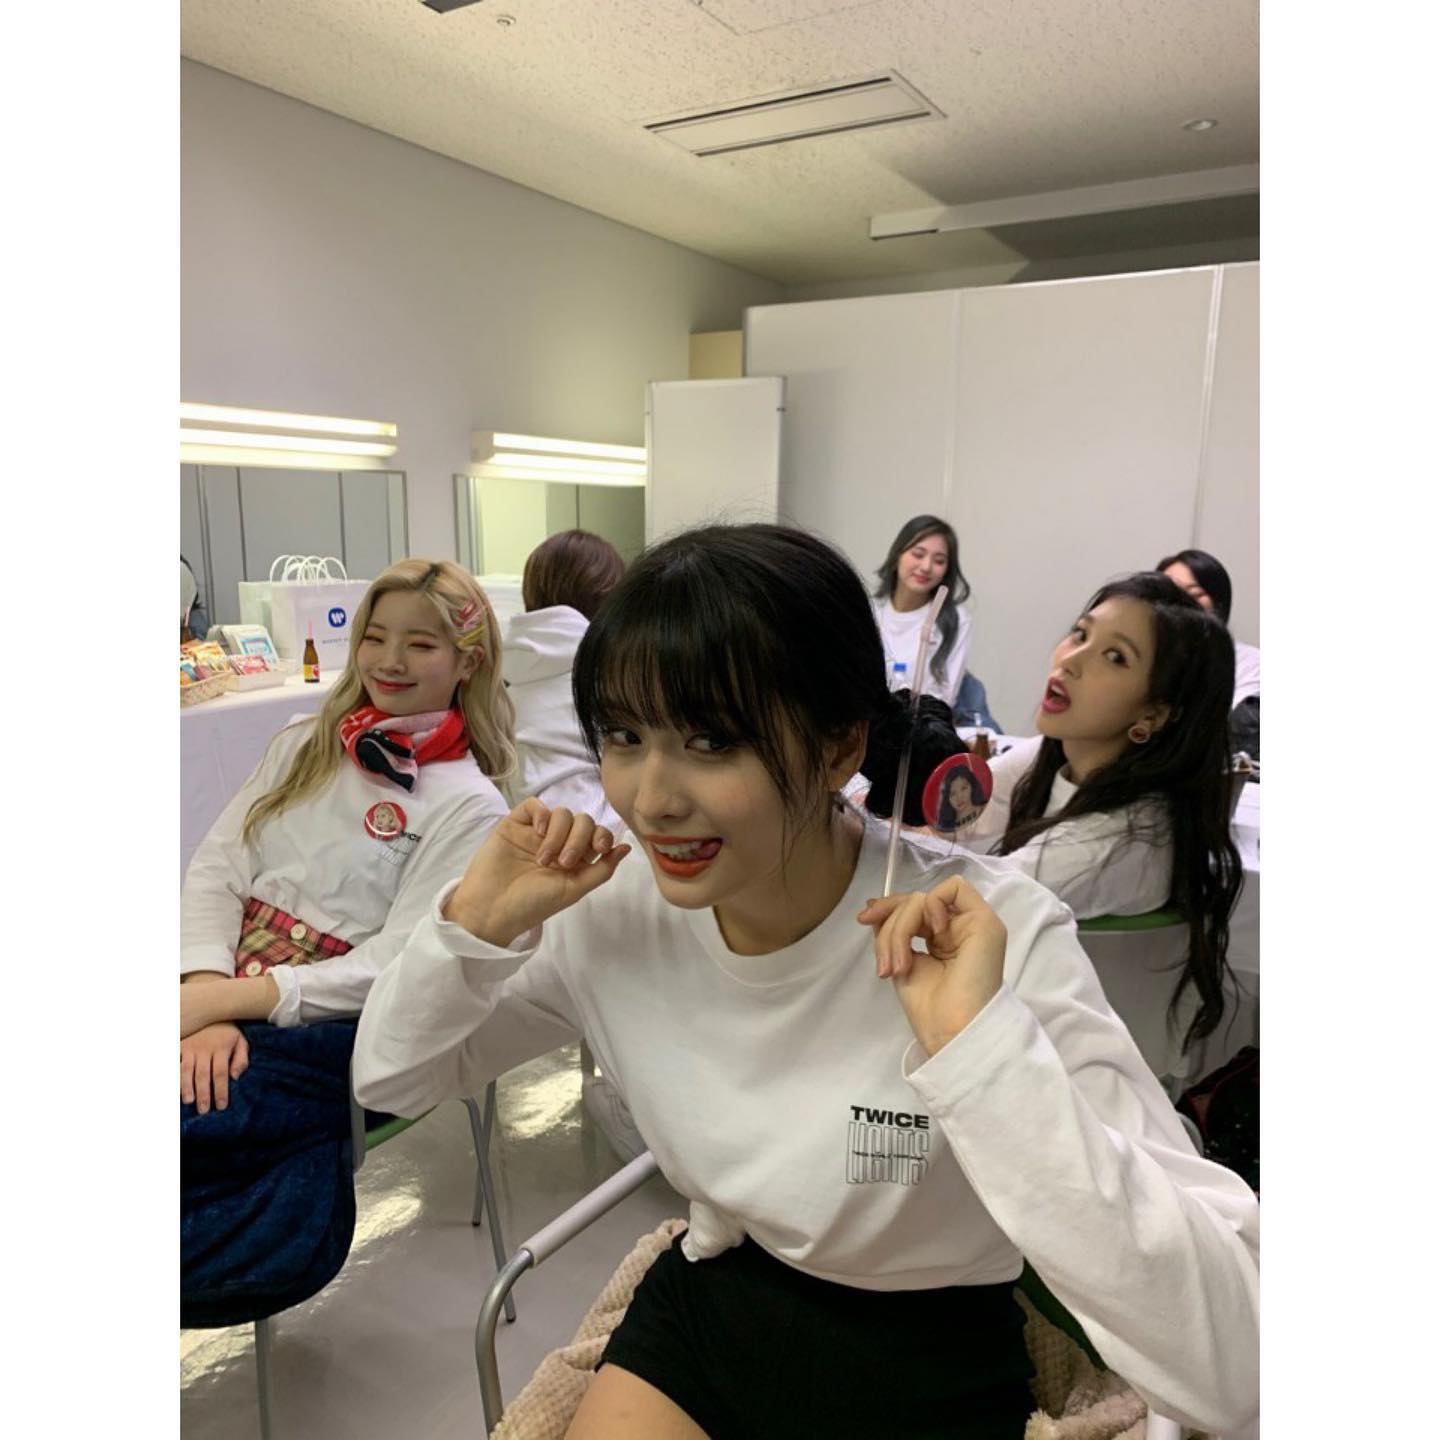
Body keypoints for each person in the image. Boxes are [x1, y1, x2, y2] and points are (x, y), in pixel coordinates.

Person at [354, 524, 1259, 1440]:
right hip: (720, 1297)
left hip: (933, 1343)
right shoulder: (613, 907)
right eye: (624, 736)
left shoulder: (991, 937)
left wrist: (983, 1057)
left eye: (711, 741)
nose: (651, 799)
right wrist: (470, 929)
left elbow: (1238, 1369)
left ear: (838, 750)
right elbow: (390, 1078)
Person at [179, 559, 514, 1324]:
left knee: (195, 1120)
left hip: (333, 1021)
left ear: (467, 662)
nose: (389, 660)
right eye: (375, 636)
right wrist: (203, 992)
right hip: (221, 986)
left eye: (420, 644)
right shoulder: (303, 742)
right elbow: (218, 865)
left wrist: (231, 1002)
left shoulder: (468, 805)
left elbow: (398, 964)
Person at [963, 572, 1242, 1053]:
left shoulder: (1119, 839)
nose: (1070, 660)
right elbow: (961, 806)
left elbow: (963, 901)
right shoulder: (1054, 756)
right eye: (1080, 634)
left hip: (1052, 1062)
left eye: (1115, 657)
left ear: (1153, 714)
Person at [504, 529, 625, 832]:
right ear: (609, 599)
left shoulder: (503, 680)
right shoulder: (610, 678)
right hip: (600, 839)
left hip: (524, 836)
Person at [872, 515, 973, 706]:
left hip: (923, 721)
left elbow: (946, 700)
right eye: (918, 554)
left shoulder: (956, 619)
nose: (926, 567)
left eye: (939, 561)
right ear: (897, 556)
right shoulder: (871, 612)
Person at [1156, 548, 1259, 709]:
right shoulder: (1144, 658)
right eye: (1168, 593)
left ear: (1219, 601)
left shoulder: (1251, 663)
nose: (1179, 602)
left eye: (1194, 594)